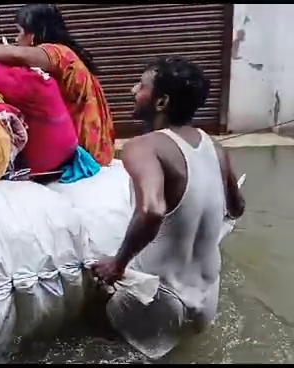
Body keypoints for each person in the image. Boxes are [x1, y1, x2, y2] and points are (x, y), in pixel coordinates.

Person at [90, 56, 246, 358]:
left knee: (92, 321)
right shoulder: (215, 146)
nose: (133, 90)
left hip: (161, 300)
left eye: (142, 85)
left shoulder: (142, 147)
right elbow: (237, 207)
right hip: (206, 299)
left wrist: (117, 264)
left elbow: (151, 211)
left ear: (160, 102)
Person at [0, 4, 115, 166]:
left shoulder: (59, 53)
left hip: (85, 151)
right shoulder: (65, 57)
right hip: (95, 148)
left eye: (19, 32)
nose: (16, 39)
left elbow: (18, 55)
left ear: (33, 35)